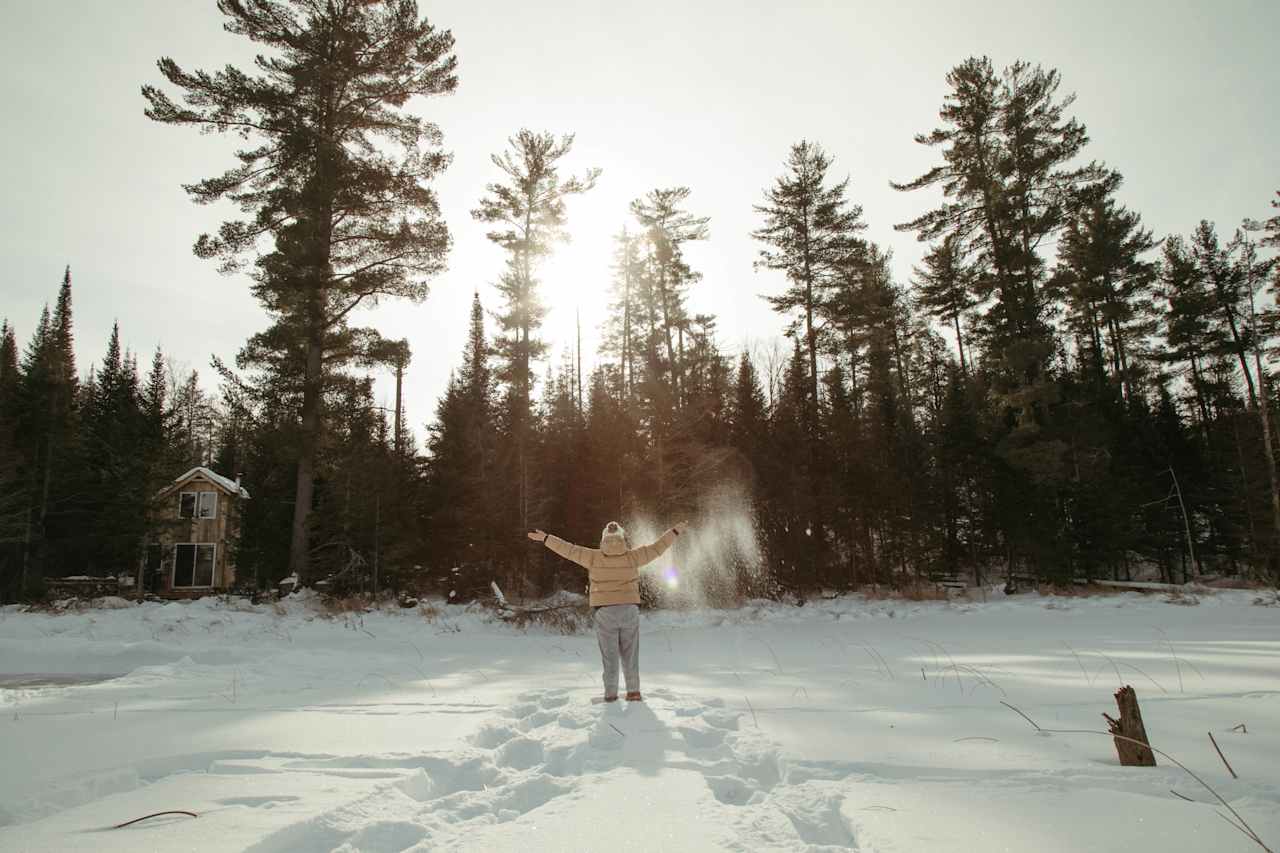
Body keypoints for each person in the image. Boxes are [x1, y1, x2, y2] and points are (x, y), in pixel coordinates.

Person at [527, 520, 688, 703]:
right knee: (630, 654)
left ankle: (611, 695)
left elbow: (568, 549)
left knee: (609, 656)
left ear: (603, 539)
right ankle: (633, 692)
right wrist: (674, 531)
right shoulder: (633, 556)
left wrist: (546, 538)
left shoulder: (593, 557)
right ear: (623, 539)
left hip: (605, 612)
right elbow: (658, 547)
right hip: (629, 610)